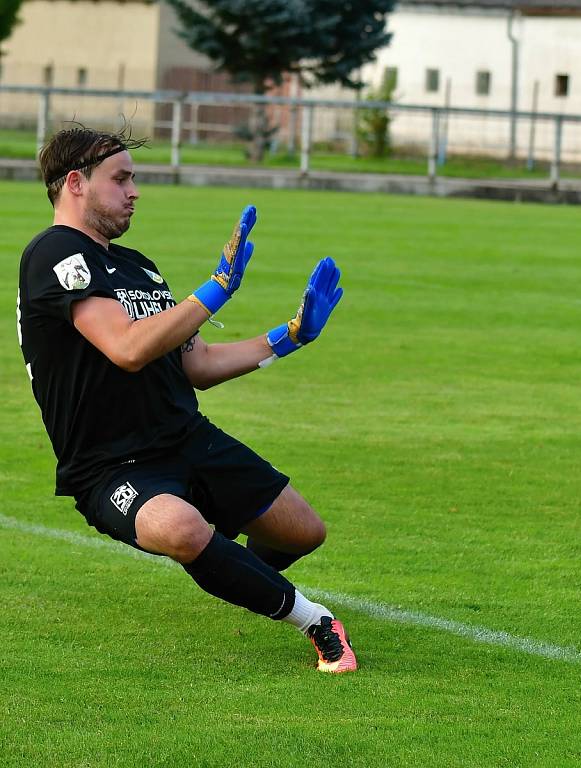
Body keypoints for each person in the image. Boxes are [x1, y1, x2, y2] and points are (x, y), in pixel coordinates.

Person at [17, 125, 357, 673]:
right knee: (179, 528)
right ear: (75, 183)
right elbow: (127, 348)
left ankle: (236, 575)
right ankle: (315, 620)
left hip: (186, 437)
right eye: (120, 178)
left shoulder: (139, 266)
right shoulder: (53, 253)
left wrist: (288, 337)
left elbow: (195, 365)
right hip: (111, 465)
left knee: (303, 531)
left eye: (134, 178)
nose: (134, 190)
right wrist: (216, 288)